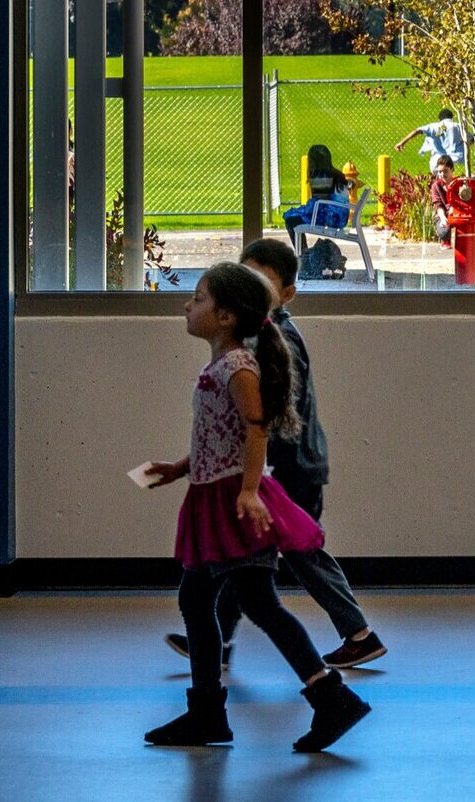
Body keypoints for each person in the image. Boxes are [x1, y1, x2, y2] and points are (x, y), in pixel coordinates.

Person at [135, 263, 372, 752]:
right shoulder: (220, 366)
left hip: (233, 502)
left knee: (253, 602)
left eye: (198, 298)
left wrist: (246, 492)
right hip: (212, 495)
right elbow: (216, 436)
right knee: (200, 600)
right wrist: (181, 467)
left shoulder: (239, 367)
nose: (187, 304)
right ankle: (209, 712)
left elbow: (255, 429)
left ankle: (327, 698)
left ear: (224, 316)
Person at [166, 240, 386, 676]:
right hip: (266, 471)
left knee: (301, 555)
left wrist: (253, 482)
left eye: (260, 279)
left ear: (286, 293)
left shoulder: (270, 342)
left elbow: (268, 418)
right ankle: (219, 641)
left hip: (291, 469)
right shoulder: (245, 345)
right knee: (244, 563)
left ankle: (359, 635)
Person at [281, 144, 350, 232]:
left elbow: (320, 201)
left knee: (291, 220)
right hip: (340, 217)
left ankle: (302, 246)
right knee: (294, 216)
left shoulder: (323, 177)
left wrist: (303, 211)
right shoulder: (336, 174)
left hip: (330, 218)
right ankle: (303, 246)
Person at [394, 106, 466, 171]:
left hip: (437, 163)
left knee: (438, 182)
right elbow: (471, 139)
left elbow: (417, 131)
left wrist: (402, 142)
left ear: (439, 119)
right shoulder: (458, 126)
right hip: (456, 161)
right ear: (452, 118)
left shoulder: (433, 126)